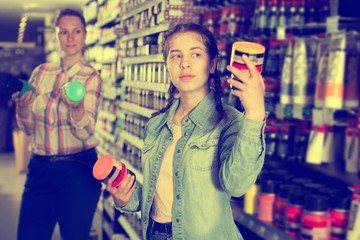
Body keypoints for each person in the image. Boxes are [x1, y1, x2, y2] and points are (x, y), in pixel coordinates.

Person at [106, 23, 266, 240]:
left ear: (212, 64)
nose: (185, 63)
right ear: (167, 65)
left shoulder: (231, 122)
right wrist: (125, 197)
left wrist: (255, 112)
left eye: (196, 54)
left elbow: (236, 186)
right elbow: (157, 197)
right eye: (175, 56)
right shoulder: (157, 124)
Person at [12, 8, 102, 240]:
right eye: (64, 32)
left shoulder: (91, 77)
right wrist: (22, 108)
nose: (70, 38)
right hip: (39, 169)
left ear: (85, 34)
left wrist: (77, 108)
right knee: (29, 235)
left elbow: (85, 133)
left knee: (74, 236)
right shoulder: (40, 73)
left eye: (76, 31)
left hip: (78, 169)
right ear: (56, 35)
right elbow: (28, 129)